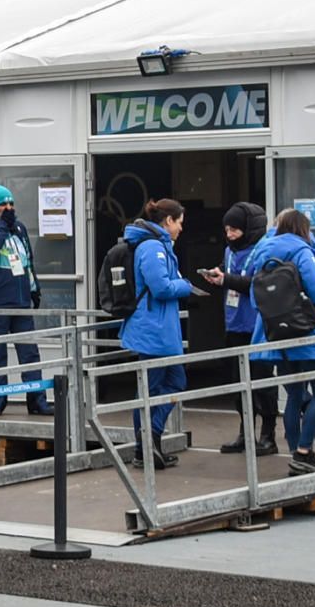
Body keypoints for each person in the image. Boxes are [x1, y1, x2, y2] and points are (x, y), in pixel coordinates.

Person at [116, 199, 195, 469]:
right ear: (168, 221)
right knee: (154, 389)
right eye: (180, 223)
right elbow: (160, 288)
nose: (181, 229)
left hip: (160, 331)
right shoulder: (152, 248)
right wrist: (186, 286)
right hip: (153, 332)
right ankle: (146, 447)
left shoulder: (159, 246)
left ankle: (150, 444)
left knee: (172, 384)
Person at [266, 209, 315, 472]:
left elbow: (255, 297)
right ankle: (303, 451)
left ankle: (294, 452)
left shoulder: (263, 252)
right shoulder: (302, 251)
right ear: (302, 229)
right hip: (307, 333)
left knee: (294, 396)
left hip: (278, 335)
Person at [201, 201, 279, 457]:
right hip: (234, 323)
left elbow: (259, 282)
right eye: (227, 230)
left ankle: (268, 434)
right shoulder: (229, 251)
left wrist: (227, 279)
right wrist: (217, 275)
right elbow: (231, 275)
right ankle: (245, 432)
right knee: (237, 382)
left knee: (262, 382)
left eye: (235, 229)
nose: (230, 235)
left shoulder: (264, 249)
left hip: (257, 324)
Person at [0, 185, 48, 418]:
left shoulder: (19, 229)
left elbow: (28, 261)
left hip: (20, 302)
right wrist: (4, 224)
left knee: (30, 354)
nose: (9, 208)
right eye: (4, 204)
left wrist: (34, 289)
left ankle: (37, 401)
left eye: (11, 204)